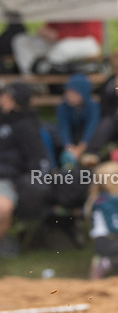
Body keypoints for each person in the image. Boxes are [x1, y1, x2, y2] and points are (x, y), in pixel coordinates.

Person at [0, 83, 51, 258]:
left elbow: (38, 161)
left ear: (16, 101)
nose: (3, 99)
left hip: (6, 180)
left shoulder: (26, 126)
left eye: (7, 96)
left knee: (2, 208)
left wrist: (25, 182)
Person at [11, 21, 103, 75]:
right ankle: (33, 81)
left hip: (88, 41)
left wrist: (58, 34)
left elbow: (88, 31)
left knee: (62, 48)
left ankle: (48, 78)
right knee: (21, 40)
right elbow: (54, 25)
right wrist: (45, 31)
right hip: (59, 40)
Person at [56, 74, 100, 168]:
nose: (69, 96)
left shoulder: (92, 106)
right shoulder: (63, 106)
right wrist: (69, 146)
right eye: (68, 92)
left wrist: (81, 148)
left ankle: (87, 157)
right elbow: (63, 127)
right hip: (72, 136)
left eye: (74, 93)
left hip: (87, 138)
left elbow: (91, 127)